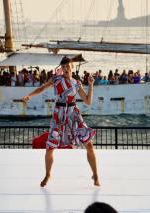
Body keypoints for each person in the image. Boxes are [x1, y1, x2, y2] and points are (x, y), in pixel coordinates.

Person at [22, 56, 100, 187]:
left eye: (67, 66)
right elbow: (42, 88)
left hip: (73, 114)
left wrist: (91, 85)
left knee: (89, 145)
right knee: (50, 147)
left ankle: (95, 175)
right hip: (59, 114)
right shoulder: (56, 80)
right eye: (63, 67)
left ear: (72, 66)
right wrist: (30, 95)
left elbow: (87, 101)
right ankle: (48, 175)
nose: (65, 69)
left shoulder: (76, 83)